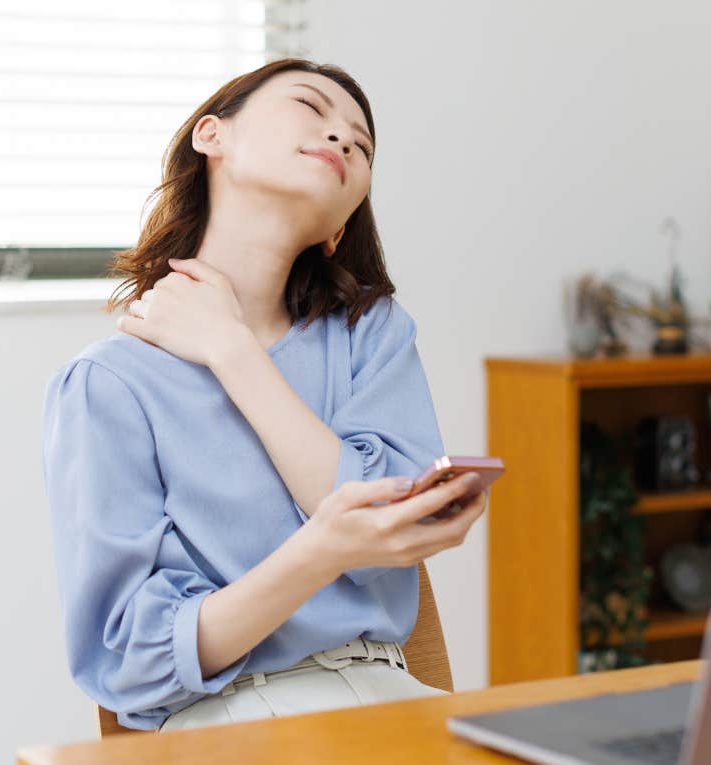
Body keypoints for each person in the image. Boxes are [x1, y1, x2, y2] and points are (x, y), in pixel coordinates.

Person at [41, 58, 488, 732]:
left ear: (338, 228)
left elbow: (398, 521)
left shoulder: (372, 335)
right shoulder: (111, 385)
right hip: (232, 717)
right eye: (311, 108)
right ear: (211, 135)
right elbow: (130, 659)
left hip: (398, 697)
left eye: (362, 146)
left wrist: (233, 351)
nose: (341, 138)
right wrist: (322, 550)